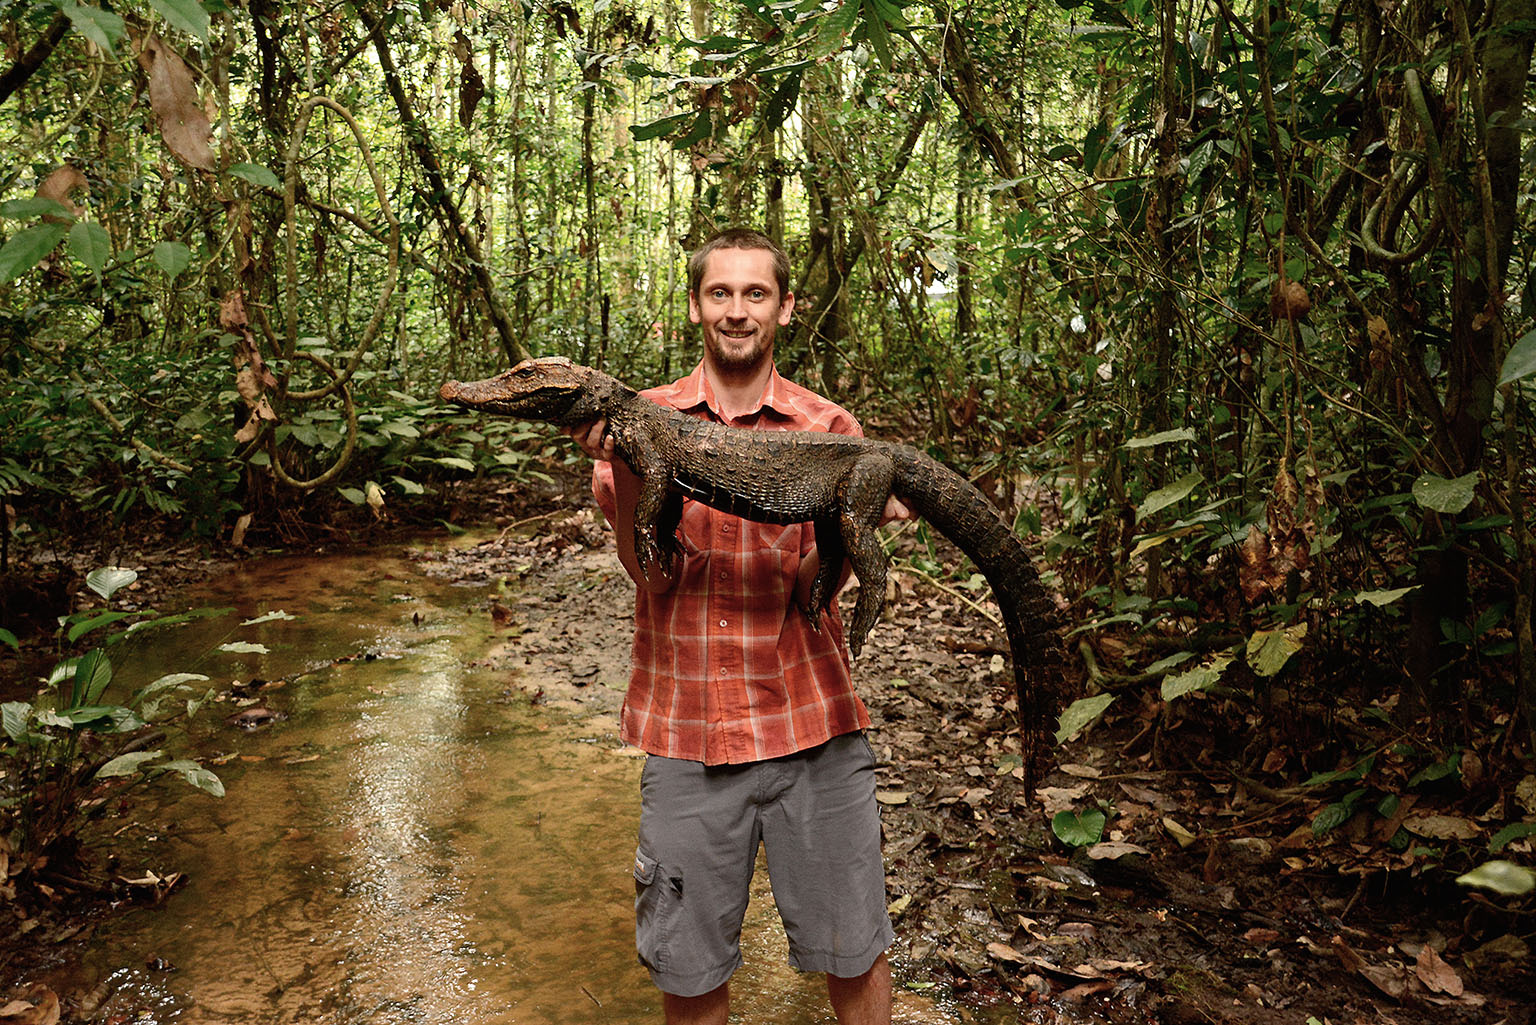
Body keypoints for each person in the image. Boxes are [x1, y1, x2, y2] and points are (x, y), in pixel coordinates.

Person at [564, 228, 907, 1025]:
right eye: (721, 293)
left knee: (856, 950)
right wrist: (622, 468)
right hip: (689, 733)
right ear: (695, 306)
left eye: (756, 294)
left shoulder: (829, 428)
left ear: (784, 307)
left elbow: (820, 590)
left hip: (811, 724)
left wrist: (859, 527)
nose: (737, 311)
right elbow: (652, 578)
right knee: (688, 975)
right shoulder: (640, 422)